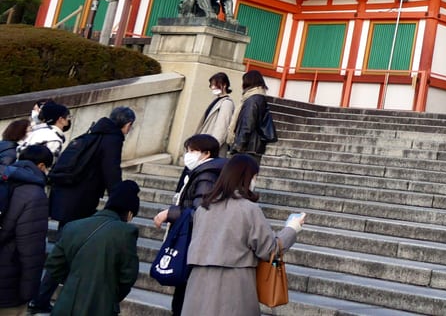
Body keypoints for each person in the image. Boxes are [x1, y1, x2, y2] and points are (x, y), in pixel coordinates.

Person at [30, 107, 136, 314]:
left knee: (64, 247)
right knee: (67, 250)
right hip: (81, 201)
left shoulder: (93, 133)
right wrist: (120, 204)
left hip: (65, 198)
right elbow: (111, 171)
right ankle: (43, 297)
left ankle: (41, 298)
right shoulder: (112, 138)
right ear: (128, 124)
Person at [186, 155, 305, 315]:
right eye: (254, 177)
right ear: (247, 177)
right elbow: (269, 250)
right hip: (234, 285)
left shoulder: (203, 208)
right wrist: (292, 228)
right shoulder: (249, 209)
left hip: (198, 284)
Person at [41, 181, 140, 316]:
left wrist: (73, 283)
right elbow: (128, 277)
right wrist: (109, 296)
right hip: (101, 307)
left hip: (66, 304)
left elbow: (54, 266)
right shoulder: (126, 232)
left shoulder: (72, 227)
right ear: (129, 213)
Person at [152, 134, 225, 316]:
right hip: (191, 239)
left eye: (192, 151)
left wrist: (170, 214)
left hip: (193, 241)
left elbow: (200, 212)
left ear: (206, 153)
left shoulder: (207, 175)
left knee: (184, 294)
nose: (188, 155)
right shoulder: (200, 172)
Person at [0, 145, 53, 316]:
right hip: (8, 286)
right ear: (41, 167)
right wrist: (28, 293)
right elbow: (31, 251)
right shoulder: (34, 194)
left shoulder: (3, 177)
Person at [231, 71, 270, 163]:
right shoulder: (259, 98)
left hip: (248, 147)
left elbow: (248, 123)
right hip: (253, 146)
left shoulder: (252, 100)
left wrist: (238, 145)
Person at [198, 72, 236, 152]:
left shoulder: (226, 103)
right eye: (211, 85)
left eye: (215, 85)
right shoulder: (217, 100)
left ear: (224, 85)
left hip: (212, 147)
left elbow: (222, 127)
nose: (213, 87)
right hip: (206, 143)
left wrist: (212, 147)